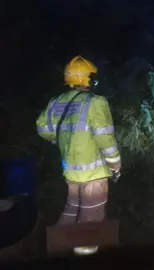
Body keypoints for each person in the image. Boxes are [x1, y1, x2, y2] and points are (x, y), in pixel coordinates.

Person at [36, 55, 121, 255]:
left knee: (71, 209)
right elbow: (105, 138)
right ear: (88, 79)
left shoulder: (56, 102)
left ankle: (56, 251)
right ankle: (84, 256)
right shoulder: (96, 102)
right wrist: (115, 164)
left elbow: (42, 128)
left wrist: (60, 140)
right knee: (91, 222)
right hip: (94, 175)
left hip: (71, 172)